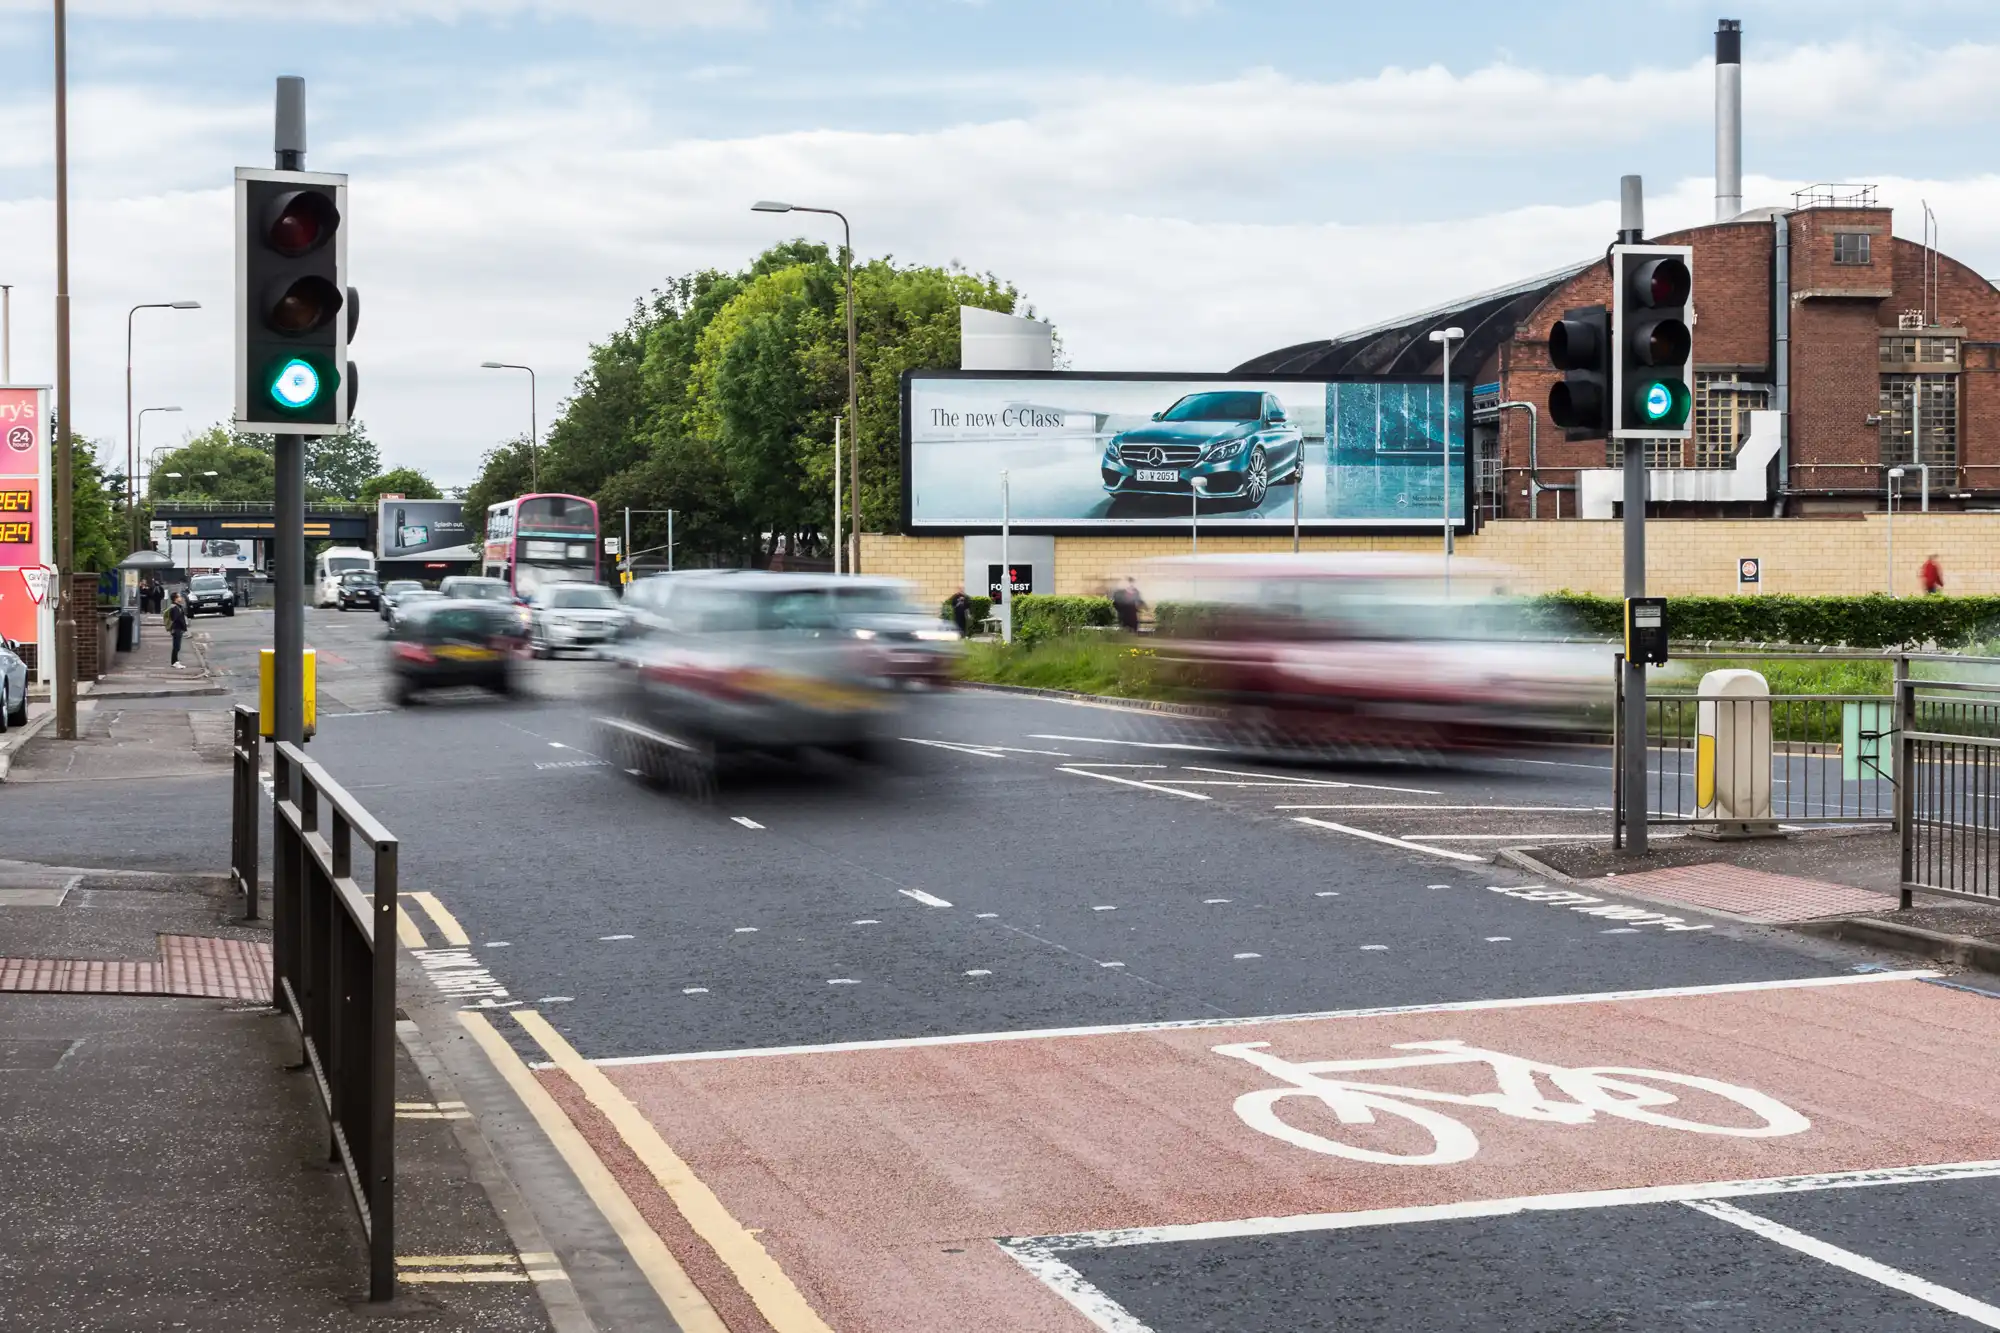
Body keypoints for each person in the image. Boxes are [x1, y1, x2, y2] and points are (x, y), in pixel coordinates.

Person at [168, 593, 188, 669]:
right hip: (177, 629)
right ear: (175, 599)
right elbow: (177, 619)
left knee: (177, 646)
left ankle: (175, 661)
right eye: (179, 597)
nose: (181, 598)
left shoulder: (177, 607)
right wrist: (183, 627)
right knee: (176, 646)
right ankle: (174, 662)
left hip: (177, 629)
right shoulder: (175, 608)